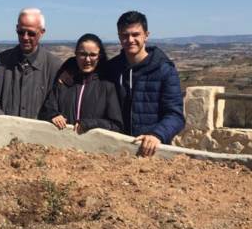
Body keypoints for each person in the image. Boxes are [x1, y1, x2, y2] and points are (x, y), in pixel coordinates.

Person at [105, 10, 185, 157]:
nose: (130, 40)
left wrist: (157, 135)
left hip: (151, 151)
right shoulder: (112, 68)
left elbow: (175, 115)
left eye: (135, 34)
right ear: (119, 37)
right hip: (116, 150)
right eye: (125, 35)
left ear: (146, 35)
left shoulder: (164, 70)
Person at [0, 8, 61, 118]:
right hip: (5, 132)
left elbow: (58, 105)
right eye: (21, 32)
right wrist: (6, 124)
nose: (25, 37)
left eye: (31, 33)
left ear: (42, 32)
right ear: (16, 28)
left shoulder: (54, 66)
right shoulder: (0, 62)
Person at [40, 33, 123, 134]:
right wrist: (52, 115)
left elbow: (116, 125)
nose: (87, 60)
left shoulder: (107, 86)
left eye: (92, 55)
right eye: (82, 54)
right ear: (76, 54)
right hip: (62, 146)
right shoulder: (64, 81)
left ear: (99, 56)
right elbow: (46, 109)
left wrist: (90, 124)